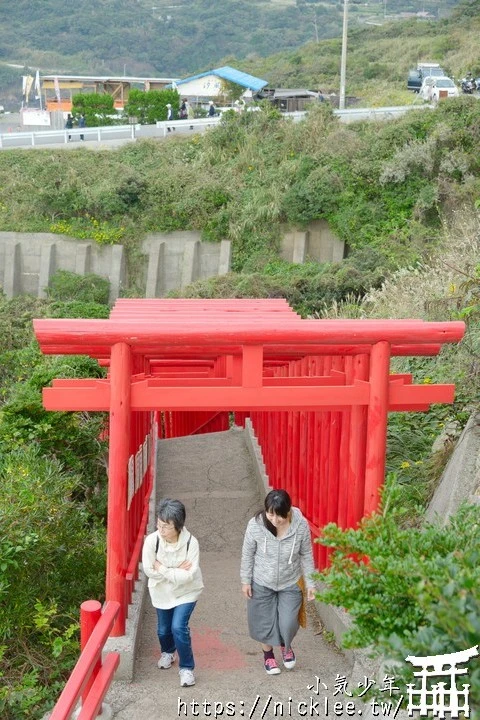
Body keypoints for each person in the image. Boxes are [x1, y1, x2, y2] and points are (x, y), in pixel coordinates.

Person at [240, 489, 316, 675]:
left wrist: (311, 583)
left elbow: (306, 554)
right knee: (263, 622)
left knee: (288, 622)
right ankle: (268, 656)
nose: (274, 520)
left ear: (288, 511)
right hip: (261, 581)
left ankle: (285, 645)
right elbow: (248, 554)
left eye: (279, 516)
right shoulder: (256, 525)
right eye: (270, 514)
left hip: (289, 581)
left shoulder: (300, 526)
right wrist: (245, 580)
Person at [142, 498, 204, 687]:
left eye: (166, 527)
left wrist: (163, 568)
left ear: (178, 526)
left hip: (187, 591)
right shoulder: (152, 541)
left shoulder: (190, 543)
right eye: (159, 525)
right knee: (163, 629)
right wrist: (177, 569)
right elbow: (148, 569)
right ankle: (168, 651)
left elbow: (189, 576)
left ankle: (186, 668)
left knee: (178, 627)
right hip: (161, 592)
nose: (161, 530)